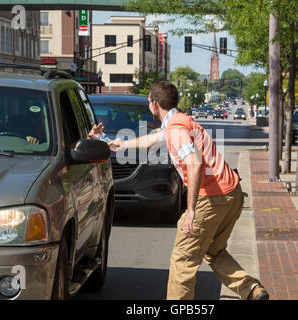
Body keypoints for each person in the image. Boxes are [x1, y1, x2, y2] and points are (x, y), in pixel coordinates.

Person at [98, 81, 269, 300]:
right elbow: (151, 140)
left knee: (183, 262)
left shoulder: (177, 129)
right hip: (232, 193)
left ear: (155, 103)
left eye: (149, 100)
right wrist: (112, 143)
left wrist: (190, 210)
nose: (149, 105)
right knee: (214, 251)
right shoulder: (181, 122)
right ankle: (252, 290)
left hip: (212, 198)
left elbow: (194, 163)